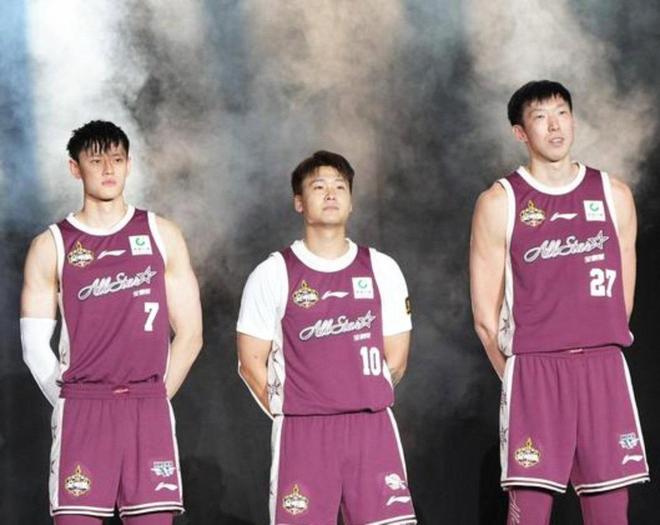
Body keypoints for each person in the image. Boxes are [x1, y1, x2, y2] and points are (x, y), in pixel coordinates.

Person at [470, 81, 649, 524]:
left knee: (612, 513)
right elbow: (485, 319)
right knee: (529, 513)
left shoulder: (614, 194)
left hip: (603, 369)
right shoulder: (500, 201)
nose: (555, 126)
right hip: (535, 371)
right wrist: (517, 378)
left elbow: (622, 300)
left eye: (562, 113)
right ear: (520, 132)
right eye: (540, 117)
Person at [21, 120, 203, 524]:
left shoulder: (162, 234)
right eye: (96, 160)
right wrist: (70, 402)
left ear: (129, 164)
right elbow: (34, 348)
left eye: (117, 160)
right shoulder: (51, 245)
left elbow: (191, 334)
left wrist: (157, 395)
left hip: (147, 405)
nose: (108, 169)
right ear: (75, 168)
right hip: (82, 407)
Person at [237, 151, 416, 525]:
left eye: (340, 187)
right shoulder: (273, 273)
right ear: (299, 202)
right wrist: (291, 410)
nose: (331, 194)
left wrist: (360, 394)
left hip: (371, 428)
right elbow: (250, 361)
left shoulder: (382, 268)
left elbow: (397, 358)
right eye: (319, 187)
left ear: (351, 202)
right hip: (303, 432)